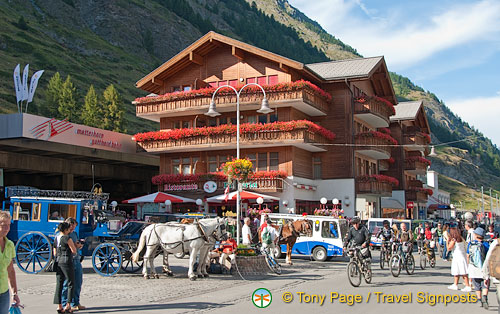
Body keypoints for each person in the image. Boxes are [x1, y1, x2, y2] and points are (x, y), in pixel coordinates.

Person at [61, 218, 86, 311]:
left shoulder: (74, 234)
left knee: (78, 282)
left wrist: (79, 245)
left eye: (74, 227)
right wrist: (76, 246)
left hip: (76, 259)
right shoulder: (64, 235)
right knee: (67, 283)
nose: (73, 228)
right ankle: (65, 303)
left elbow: (76, 244)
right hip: (68, 260)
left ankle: (76, 302)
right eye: (71, 227)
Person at [54, 222, 77, 313]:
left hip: (59, 261)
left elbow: (54, 251)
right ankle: (68, 305)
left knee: (59, 284)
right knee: (70, 282)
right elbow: (73, 250)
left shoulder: (57, 238)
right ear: (66, 230)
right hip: (67, 261)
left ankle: (59, 305)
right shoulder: (67, 238)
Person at [0, 211, 20, 314]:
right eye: (3, 225)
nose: (7, 229)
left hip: (3, 292)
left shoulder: (10, 245)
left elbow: (11, 270)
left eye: (8, 225)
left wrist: (14, 293)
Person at [467, 227, 490, 308]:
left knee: (477, 285)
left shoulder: (471, 244)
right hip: (483, 267)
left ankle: (479, 300)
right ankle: (485, 297)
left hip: (473, 267)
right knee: (485, 284)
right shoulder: (486, 244)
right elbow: (488, 256)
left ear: (476, 235)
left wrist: (468, 265)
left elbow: (468, 255)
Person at [447, 227, 471, 292]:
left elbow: (449, 248)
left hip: (457, 256)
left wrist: (447, 242)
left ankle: (467, 285)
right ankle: (455, 284)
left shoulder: (453, 240)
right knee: (458, 271)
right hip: (462, 255)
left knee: (462, 271)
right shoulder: (461, 238)